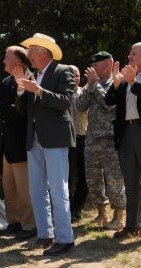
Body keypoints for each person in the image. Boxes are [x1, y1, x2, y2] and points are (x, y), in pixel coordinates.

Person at [14, 33, 75, 255]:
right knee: (37, 190)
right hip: (35, 139)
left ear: (44, 52)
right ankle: (45, 234)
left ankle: (65, 238)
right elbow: (22, 110)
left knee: (58, 190)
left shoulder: (63, 71)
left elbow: (66, 102)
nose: (28, 55)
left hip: (55, 138)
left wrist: (38, 90)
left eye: (31, 51)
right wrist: (21, 90)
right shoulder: (34, 75)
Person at [0, 46, 36, 240]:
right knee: (10, 187)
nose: (3, 60)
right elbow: (3, 111)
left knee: (24, 188)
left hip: (23, 143)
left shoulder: (31, 81)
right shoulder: (5, 82)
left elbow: (19, 112)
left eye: (7, 57)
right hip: (7, 143)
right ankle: (14, 222)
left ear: (19, 62)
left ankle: (30, 226)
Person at [76, 52, 126, 230]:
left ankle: (119, 216)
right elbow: (79, 106)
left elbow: (109, 104)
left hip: (110, 138)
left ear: (107, 64)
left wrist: (95, 84)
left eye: (96, 65)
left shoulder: (117, 82)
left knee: (114, 178)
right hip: (91, 139)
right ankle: (101, 214)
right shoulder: (92, 84)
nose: (93, 68)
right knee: (93, 178)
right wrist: (89, 87)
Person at [105, 42, 141, 238]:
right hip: (126, 134)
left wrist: (134, 83)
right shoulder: (126, 79)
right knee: (130, 181)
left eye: (133, 54)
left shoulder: (133, 80)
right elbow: (109, 101)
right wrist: (117, 83)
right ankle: (132, 225)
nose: (129, 57)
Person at [68, 65, 89, 223]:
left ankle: (78, 207)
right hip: (67, 140)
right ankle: (68, 211)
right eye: (72, 75)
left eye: (78, 75)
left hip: (84, 138)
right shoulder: (62, 93)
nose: (76, 78)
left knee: (86, 177)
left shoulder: (85, 92)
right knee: (68, 177)